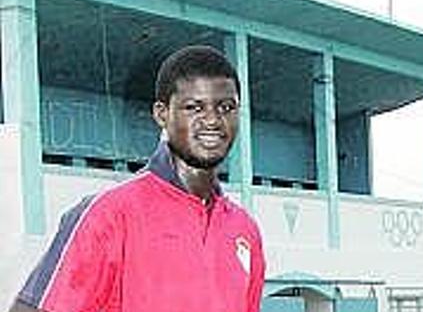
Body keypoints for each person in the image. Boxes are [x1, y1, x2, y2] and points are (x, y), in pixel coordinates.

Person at [8, 45, 266, 312]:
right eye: (194, 107)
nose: (212, 120)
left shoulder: (245, 229)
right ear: (161, 114)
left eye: (226, 107)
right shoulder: (107, 215)